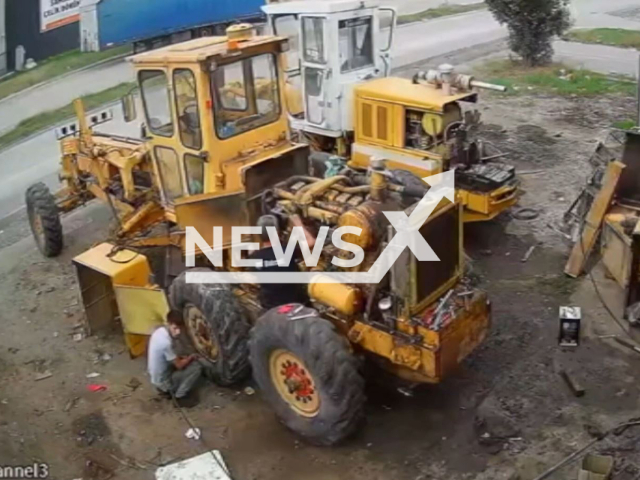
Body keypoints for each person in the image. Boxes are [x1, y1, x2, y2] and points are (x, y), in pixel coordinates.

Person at [249, 214, 316, 310]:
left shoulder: (254, 257)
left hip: (271, 308)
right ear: (277, 232)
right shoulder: (287, 251)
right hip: (296, 305)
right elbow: (311, 242)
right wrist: (298, 224)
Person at [148, 310, 203, 408]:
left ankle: (168, 388)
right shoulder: (165, 343)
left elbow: (168, 357)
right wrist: (191, 357)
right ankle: (179, 397)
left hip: (155, 378)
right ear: (168, 324)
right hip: (163, 383)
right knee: (197, 367)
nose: (178, 332)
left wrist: (182, 358)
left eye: (180, 328)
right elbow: (179, 365)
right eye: (175, 328)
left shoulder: (159, 332)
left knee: (182, 359)